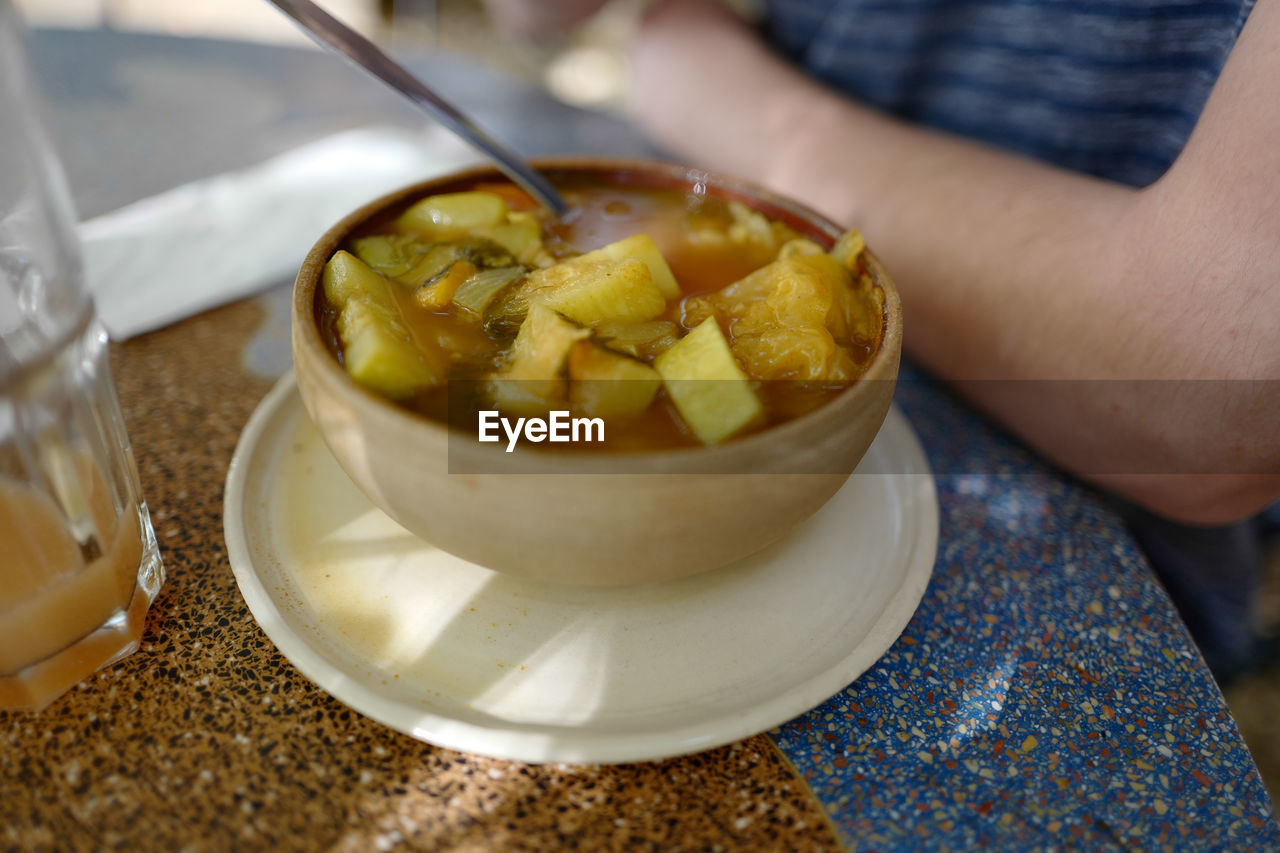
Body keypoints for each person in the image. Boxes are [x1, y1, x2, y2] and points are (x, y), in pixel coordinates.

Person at [487, 0, 1280, 674]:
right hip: (687, 355)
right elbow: (527, 14)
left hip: (1087, 559)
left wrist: (698, 82)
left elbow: (1208, 408)